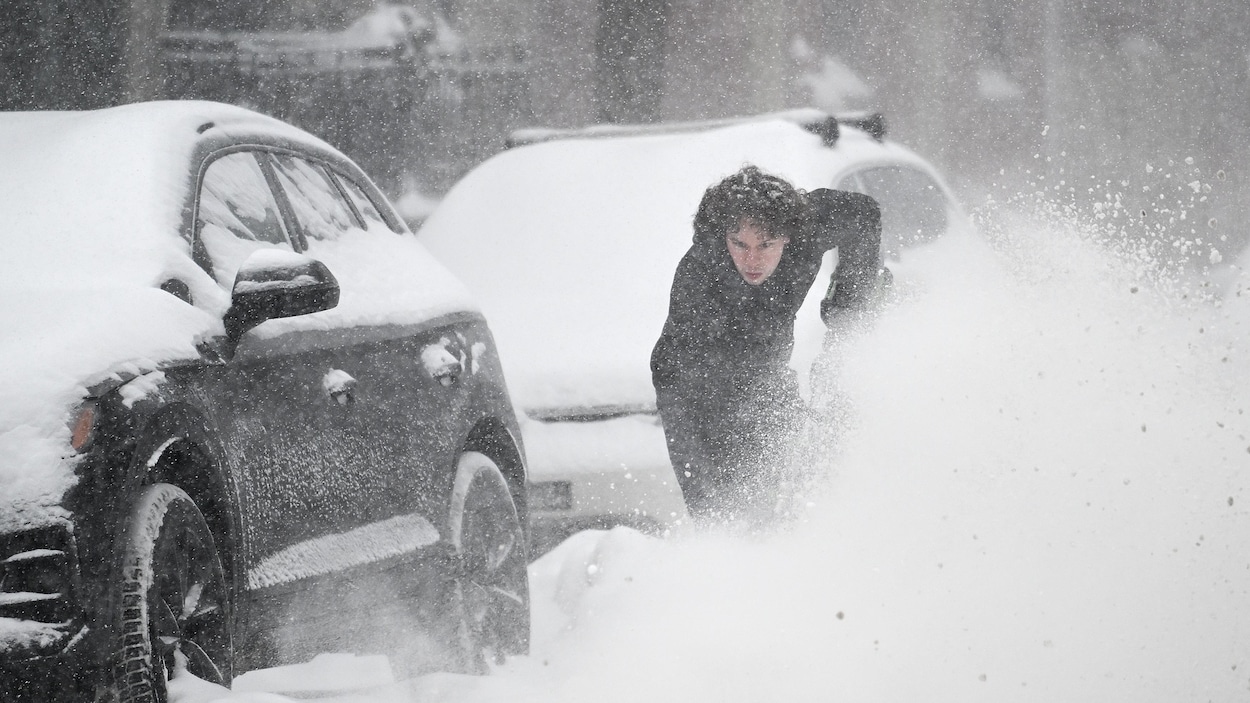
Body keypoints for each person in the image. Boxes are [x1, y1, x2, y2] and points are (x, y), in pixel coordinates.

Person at [650, 164, 882, 523]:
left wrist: (849, 309)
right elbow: (674, 386)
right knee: (736, 517)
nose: (752, 260)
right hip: (711, 401)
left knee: (814, 493)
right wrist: (704, 503)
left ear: (788, 236)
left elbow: (864, 214)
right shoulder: (699, 278)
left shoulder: (808, 228)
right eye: (739, 244)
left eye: (766, 245)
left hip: (773, 384)